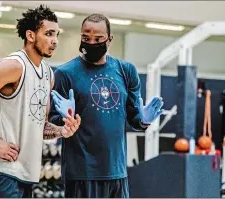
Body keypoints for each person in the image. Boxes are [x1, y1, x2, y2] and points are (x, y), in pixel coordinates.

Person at [0, 5, 81, 198]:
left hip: (26, 173)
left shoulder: (48, 74)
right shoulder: (14, 66)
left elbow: (39, 125)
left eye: (57, 34)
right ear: (31, 36)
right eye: (48, 34)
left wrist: (61, 131)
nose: (55, 41)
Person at [49, 13, 164, 198]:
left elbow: (134, 120)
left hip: (117, 171)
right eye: (86, 38)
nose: (91, 42)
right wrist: (64, 120)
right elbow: (52, 120)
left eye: (98, 38)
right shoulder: (65, 73)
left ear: (109, 40)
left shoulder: (126, 71)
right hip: (82, 173)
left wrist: (144, 120)